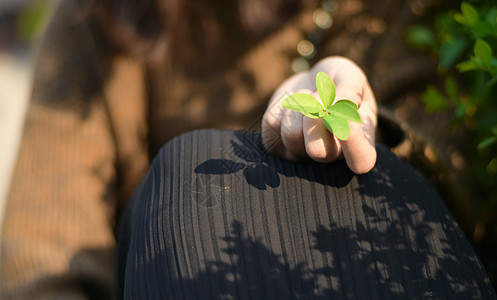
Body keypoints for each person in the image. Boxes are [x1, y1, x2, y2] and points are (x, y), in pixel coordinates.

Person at [1, 0, 495, 299]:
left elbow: (457, 190)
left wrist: (364, 127)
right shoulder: (104, 17)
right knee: (193, 173)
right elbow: (44, 263)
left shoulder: (393, 15)